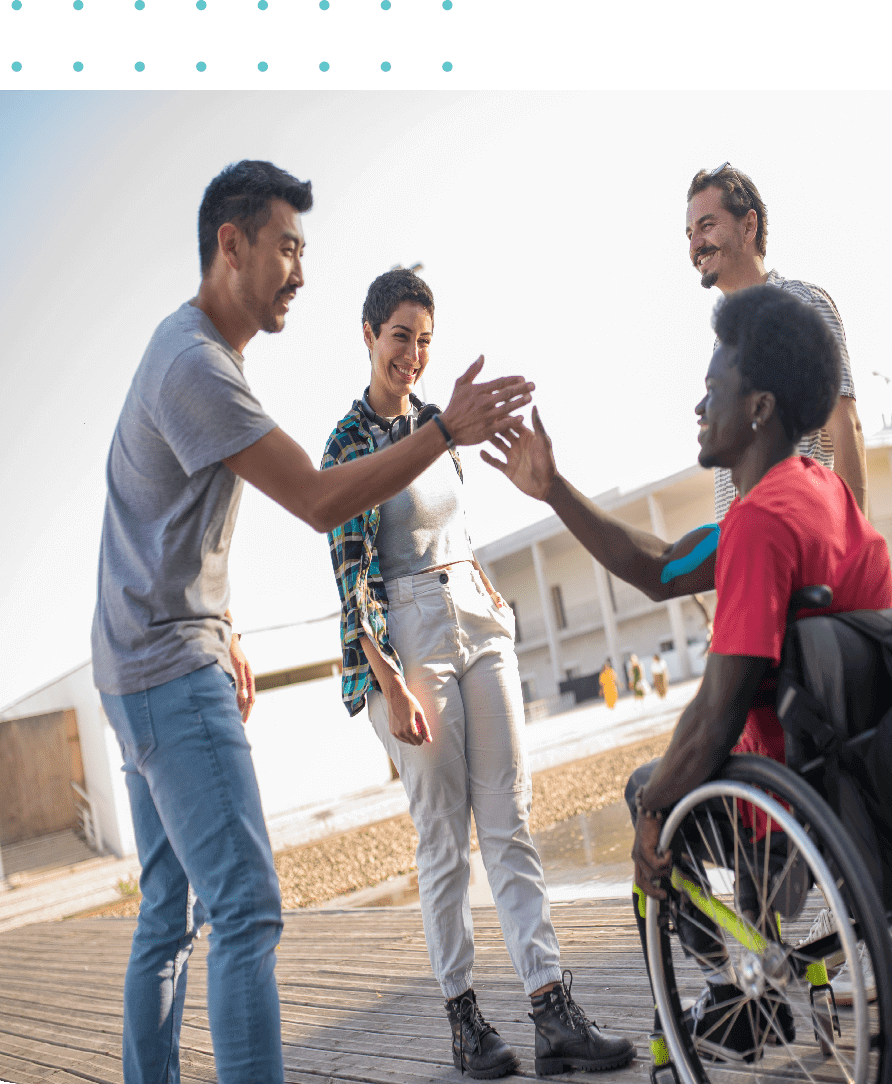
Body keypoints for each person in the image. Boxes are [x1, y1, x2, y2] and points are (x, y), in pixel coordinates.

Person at [90, 162, 534, 1084]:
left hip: (140, 658)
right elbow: (321, 501)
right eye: (287, 248)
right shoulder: (196, 366)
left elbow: (162, 517)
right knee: (245, 911)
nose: (300, 271)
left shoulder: (190, 352)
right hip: (169, 669)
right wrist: (442, 432)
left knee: (167, 915)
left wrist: (225, 622)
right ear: (232, 245)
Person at [483, 284, 892, 1063]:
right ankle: (748, 982)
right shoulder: (822, 494)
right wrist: (554, 489)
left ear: (758, 408)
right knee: (688, 775)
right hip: (862, 783)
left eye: (712, 389)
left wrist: (652, 813)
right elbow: (661, 565)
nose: (699, 406)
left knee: (651, 789)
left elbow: (715, 712)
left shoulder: (759, 524)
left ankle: (736, 986)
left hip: (793, 808)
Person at [321, 269, 634, 1080]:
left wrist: (483, 586)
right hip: (407, 635)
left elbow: (450, 532)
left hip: (475, 618)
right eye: (399, 337)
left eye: (425, 340)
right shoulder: (347, 444)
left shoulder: (439, 426)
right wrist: (387, 679)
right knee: (442, 840)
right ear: (368, 334)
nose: (412, 355)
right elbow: (352, 577)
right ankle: (464, 1022)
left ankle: (551, 1011)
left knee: (510, 822)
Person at [685, 163, 867, 519]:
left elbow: (845, 428)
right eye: (689, 233)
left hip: (801, 537)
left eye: (707, 226)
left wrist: (853, 543)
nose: (695, 245)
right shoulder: (722, 344)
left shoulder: (801, 304)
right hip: (751, 544)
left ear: (748, 225)